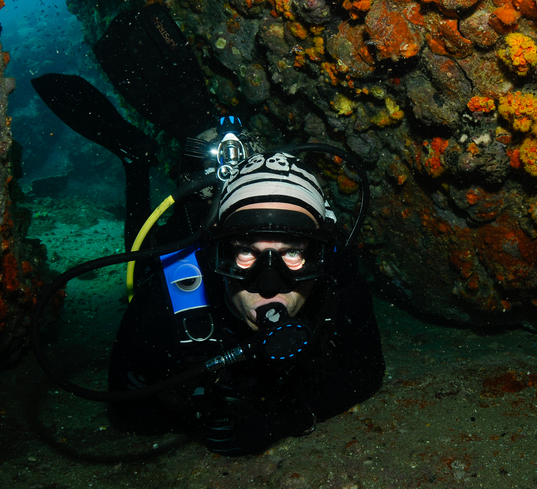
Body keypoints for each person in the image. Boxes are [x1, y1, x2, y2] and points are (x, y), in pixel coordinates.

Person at [107, 151, 385, 455]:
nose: (268, 285)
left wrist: (286, 419)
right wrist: (201, 416)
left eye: (293, 253)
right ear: (217, 255)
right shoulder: (166, 298)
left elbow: (366, 371)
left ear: (319, 256)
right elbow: (126, 409)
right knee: (145, 255)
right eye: (246, 252)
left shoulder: (336, 279)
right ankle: (135, 162)